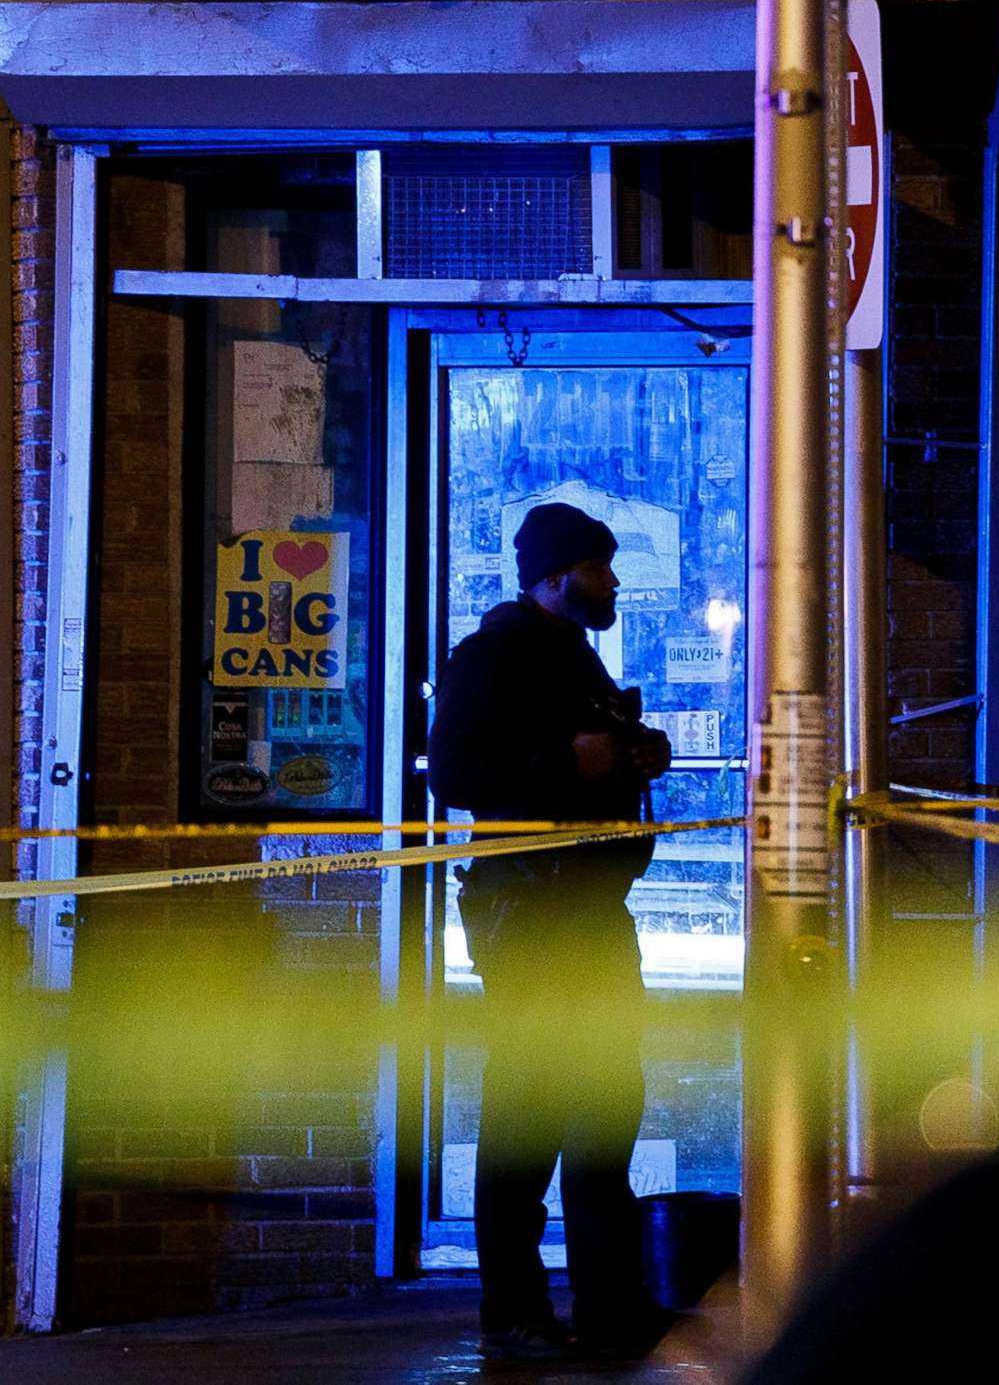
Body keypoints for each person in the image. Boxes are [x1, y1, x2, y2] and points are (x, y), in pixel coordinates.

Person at [427, 501, 676, 1363]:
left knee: (608, 1107)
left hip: (591, 910)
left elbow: (595, 751)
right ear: (553, 575)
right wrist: (567, 763)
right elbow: (452, 773)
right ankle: (516, 1314)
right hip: (528, 911)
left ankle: (610, 1309)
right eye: (597, 569)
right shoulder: (492, 653)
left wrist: (638, 748)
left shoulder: (577, 658)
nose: (610, 582)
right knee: (531, 1110)